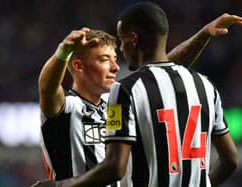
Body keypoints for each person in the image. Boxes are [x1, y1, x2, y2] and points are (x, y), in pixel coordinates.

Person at [32, 2, 242, 187]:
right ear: (78, 66)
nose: (115, 67)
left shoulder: (119, 98)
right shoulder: (68, 108)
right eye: (105, 59)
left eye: (115, 57)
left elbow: (161, 72)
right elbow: (47, 89)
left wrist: (203, 35)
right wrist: (63, 52)